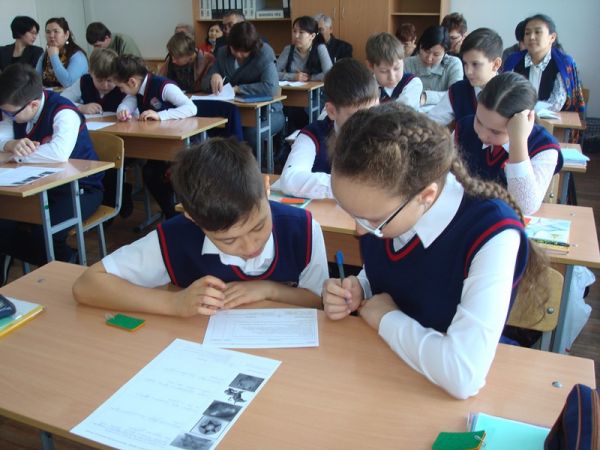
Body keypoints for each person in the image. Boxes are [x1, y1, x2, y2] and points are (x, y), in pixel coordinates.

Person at [322, 102, 547, 399]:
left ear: (426, 196)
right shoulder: (387, 207)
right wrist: (359, 288)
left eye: (373, 221)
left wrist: (385, 317)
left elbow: (463, 375)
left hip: (439, 395)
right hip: (386, 373)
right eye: (352, 214)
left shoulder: (492, 234)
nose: (359, 232)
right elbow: (390, 271)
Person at [72, 137, 329, 315]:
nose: (250, 247)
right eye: (229, 240)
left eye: (258, 227)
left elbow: (318, 300)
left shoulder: (303, 230)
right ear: (193, 218)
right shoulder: (176, 237)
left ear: (266, 187)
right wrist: (174, 303)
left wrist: (269, 290)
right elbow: (87, 285)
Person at [0, 64, 103, 265]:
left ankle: (68, 262)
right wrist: (9, 144)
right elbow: (2, 134)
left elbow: (58, 153)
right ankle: (56, 262)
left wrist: (14, 156)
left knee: (45, 235)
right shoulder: (16, 108)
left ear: (33, 105)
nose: (7, 117)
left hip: (80, 189)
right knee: (4, 225)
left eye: (10, 114)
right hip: (37, 187)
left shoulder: (64, 111)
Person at [455, 72, 563, 215]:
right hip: (467, 216)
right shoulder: (464, 128)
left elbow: (524, 207)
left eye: (495, 132)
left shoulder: (543, 147)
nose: (482, 134)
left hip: (507, 221)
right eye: (479, 121)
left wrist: (518, 140)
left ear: (524, 121)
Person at [279, 58, 379, 199]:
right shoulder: (313, 135)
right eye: (356, 117)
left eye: (373, 111)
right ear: (331, 111)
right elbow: (290, 180)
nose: (367, 122)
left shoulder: (385, 132)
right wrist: (351, 187)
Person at [113, 54, 197, 219]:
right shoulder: (137, 90)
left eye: (121, 87)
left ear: (132, 82)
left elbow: (191, 108)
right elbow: (127, 103)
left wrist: (161, 115)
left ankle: (181, 214)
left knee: (165, 175)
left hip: (181, 145)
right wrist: (122, 111)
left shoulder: (164, 86)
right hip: (160, 146)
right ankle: (171, 214)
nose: (120, 91)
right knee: (150, 173)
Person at [203, 22, 284, 155]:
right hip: (231, 112)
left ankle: (256, 166)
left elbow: (271, 88)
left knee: (250, 135)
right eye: (235, 50)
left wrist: (238, 89)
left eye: (244, 52)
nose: (239, 54)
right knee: (212, 131)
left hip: (268, 113)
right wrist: (214, 76)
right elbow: (204, 83)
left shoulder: (264, 53)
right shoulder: (223, 53)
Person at [503, 14, 585, 112]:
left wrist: (529, 111)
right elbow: (506, 94)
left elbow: (557, 103)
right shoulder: (513, 60)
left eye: (537, 32)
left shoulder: (564, 63)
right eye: (527, 33)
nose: (531, 37)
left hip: (555, 119)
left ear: (552, 37)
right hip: (518, 117)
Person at [428, 28, 503, 126]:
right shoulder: (458, 90)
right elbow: (431, 122)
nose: (468, 71)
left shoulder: (511, 93)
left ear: (496, 64)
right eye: (465, 63)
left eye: (475, 64)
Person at [404, 26, 463, 108]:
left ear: (445, 52)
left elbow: (456, 94)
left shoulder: (453, 64)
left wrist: (426, 97)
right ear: (420, 46)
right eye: (426, 51)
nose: (429, 58)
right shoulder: (407, 63)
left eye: (436, 54)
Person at [366, 32, 422, 110]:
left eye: (397, 68)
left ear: (403, 61)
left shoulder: (412, 83)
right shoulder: (366, 86)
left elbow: (400, 113)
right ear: (370, 66)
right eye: (384, 71)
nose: (392, 77)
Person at [61, 48, 125, 114]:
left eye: (110, 81)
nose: (105, 86)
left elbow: (130, 106)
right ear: (91, 73)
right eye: (99, 80)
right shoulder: (85, 81)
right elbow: (61, 99)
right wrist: (80, 107)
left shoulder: (122, 86)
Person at [36, 17, 88, 89]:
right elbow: (35, 82)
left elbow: (68, 83)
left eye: (56, 31)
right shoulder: (44, 55)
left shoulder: (78, 56)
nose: (51, 35)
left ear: (66, 35)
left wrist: (54, 57)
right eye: (48, 32)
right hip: (47, 95)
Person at [277, 16, 333, 82]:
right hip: (293, 88)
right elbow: (273, 73)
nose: (296, 36)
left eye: (301, 32)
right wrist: (293, 77)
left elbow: (329, 74)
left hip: (316, 88)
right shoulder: (288, 49)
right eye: (294, 31)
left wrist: (310, 77)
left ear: (312, 36)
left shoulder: (320, 48)